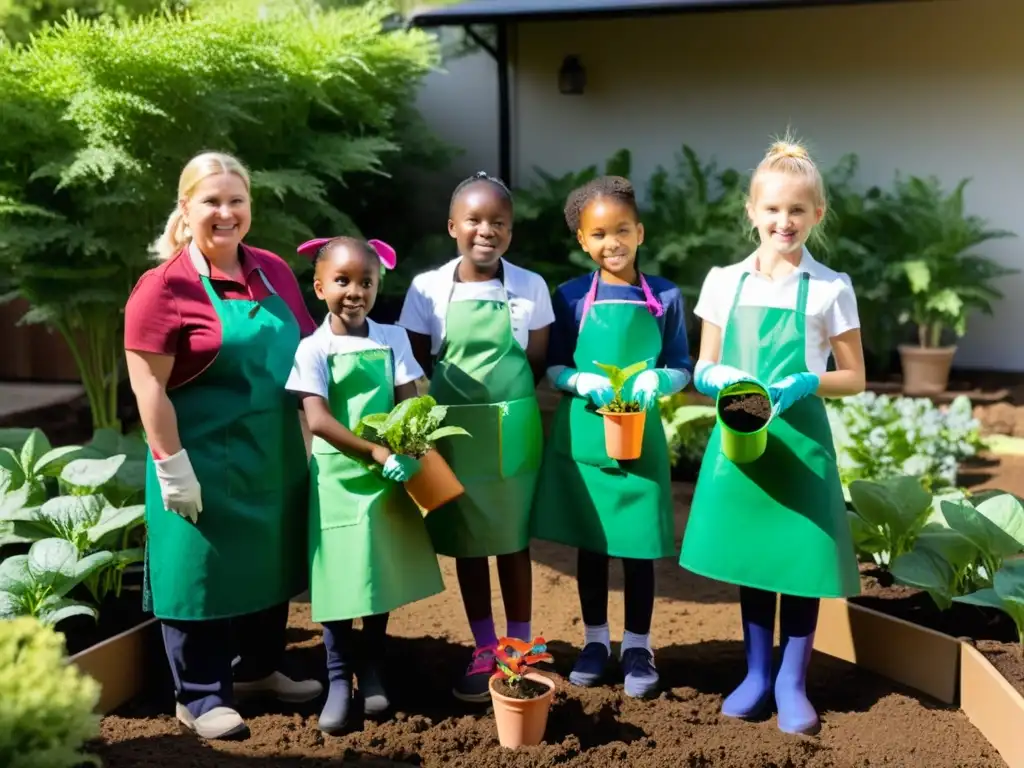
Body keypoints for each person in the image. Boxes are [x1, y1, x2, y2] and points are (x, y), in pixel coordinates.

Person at [123, 151, 322, 741]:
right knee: (198, 570)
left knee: (267, 562)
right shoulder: (162, 290)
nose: (226, 212)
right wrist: (171, 467)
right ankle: (199, 694)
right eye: (211, 201)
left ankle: (260, 669)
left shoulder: (273, 272)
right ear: (186, 208)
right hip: (199, 458)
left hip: (272, 452)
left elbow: (309, 356)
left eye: (237, 200)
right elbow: (148, 388)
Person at [679, 138, 866, 735]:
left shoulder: (831, 287)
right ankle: (757, 674)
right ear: (752, 212)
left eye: (798, 211)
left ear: (818, 215)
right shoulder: (723, 282)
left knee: (801, 559)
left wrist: (810, 380)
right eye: (773, 210)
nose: (784, 222)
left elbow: (855, 377)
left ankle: (791, 681)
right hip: (742, 437)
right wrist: (724, 377)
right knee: (755, 559)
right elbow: (701, 368)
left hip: (802, 440)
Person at [531, 175, 692, 699]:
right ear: (583, 241)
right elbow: (552, 364)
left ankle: (639, 645)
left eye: (622, 230)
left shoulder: (664, 296)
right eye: (599, 234)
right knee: (593, 544)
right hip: (586, 435)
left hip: (641, 434)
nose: (612, 243)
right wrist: (578, 380)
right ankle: (597, 641)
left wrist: (660, 379)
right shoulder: (571, 297)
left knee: (640, 547)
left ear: (640, 232)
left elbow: (682, 364)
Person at [397, 171, 554, 702]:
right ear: (452, 227)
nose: (486, 230)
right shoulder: (426, 288)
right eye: (474, 220)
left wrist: (502, 406)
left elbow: (534, 358)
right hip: (456, 433)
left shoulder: (530, 285)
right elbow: (418, 359)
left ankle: (521, 647)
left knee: (512, 541)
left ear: (511, 230)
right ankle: (483, 646)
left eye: (498, 222)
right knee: (468, 543)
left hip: (512, 431)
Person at [285, 235, 444, 734]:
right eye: (342, 281)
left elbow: (407, 401)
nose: (355, 291)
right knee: (337, 579)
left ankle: (372, 668)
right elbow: (319, 419)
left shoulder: (391, 338)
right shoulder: (313, 348)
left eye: (366, 282)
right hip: (336, 477)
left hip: (384, 478)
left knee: (377, 572)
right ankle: (336, 676)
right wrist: (377, 449)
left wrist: (410, 449)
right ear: (318, 287)